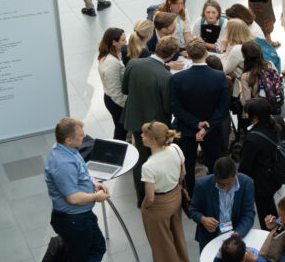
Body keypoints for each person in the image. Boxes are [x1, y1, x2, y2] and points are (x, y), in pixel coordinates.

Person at [45, 117, 110, 262]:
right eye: (80, 136)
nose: (84, 137)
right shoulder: (61, 164)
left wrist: (94, 183)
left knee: (93, 248)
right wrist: (96, 197)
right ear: (68, 140)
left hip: (80, 217)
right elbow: (73, 197)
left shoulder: (68, 152)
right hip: (74, 220)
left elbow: (80, 175)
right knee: (80, 256)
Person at [121, 35, 177, 206]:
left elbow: (125, 89)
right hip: (155, 125)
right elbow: (168, 107)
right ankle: (154, 193)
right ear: (172, 54)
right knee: (155, 158)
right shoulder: (165, 76)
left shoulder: (133, 63)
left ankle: (141, 197)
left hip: (135, 119)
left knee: (140, 158)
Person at [170, 38, 230, 196]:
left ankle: (190, 197)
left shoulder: (178, 78)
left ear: (188, 55)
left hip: (187, 129)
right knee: (214, 165)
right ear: (206, 53)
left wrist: (196, 124)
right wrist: (206, 126)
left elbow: (176, 108)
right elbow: (223, 107)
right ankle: (213, 194)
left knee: (187, 166)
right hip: (212, 130)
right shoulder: (219, 77)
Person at [138, 122, 190, 262]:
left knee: (161, 242)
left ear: (153, 140)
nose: (141, 136)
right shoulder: (175, 148)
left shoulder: (148, 166)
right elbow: (183, 173)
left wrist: (144, 207)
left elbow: (150, 197)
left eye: (144, 134)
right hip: (176, 196)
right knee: (177, 233)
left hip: (159, 205)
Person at [239, 98, 285, 225]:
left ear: (255, 116)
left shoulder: (252, 138)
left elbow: (245, 169)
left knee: (267, 214)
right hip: (278, 173)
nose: (246, 115)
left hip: (262, 183)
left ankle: (273, 236)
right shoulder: (278, 120)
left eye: (247, 112)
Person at [189, 157, 256, 251]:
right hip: (210, 239)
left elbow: (249, 214)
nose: (225, 189)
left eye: (228, 184)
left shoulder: (247, 183)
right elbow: (192, 210)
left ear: (236, 174)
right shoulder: (202, 185)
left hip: (235, 235)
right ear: (215, 176)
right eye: (221, 185)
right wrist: (203, 219)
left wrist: (238, 233)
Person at [97, 28, 128, 140]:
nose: (126, 42)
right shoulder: (112, 63)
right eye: (123, 40)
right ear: (113, 42)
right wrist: (127, 104)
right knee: (121, 130)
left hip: (113, 98)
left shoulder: (115, 55)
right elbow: (115, 91)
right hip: (116, 102)